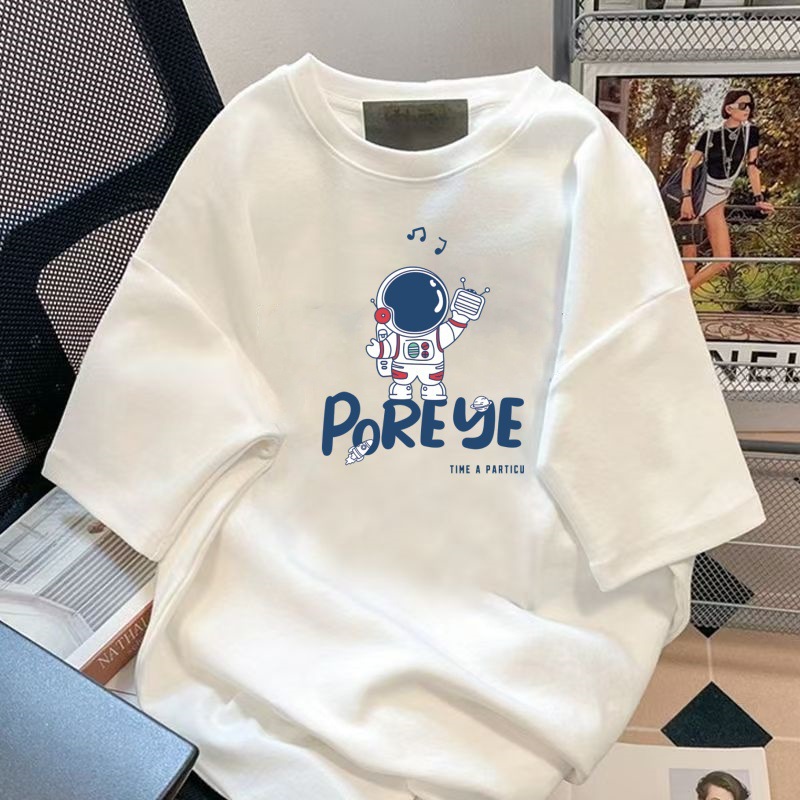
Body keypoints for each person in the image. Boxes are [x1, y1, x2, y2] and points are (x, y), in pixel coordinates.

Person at [678, 89, 775, 292]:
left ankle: (677, 296)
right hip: (695, 199)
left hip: (717, 200)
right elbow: (688, 168)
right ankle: (681, 305)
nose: (748, 109)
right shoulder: (710, 135)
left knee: (723, 261)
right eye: (743, 105)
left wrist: (759, 198)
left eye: (750, 106)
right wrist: (686, 198)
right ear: (729, 108)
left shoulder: (750, 133)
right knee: (689, 265)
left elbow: (752, 167)